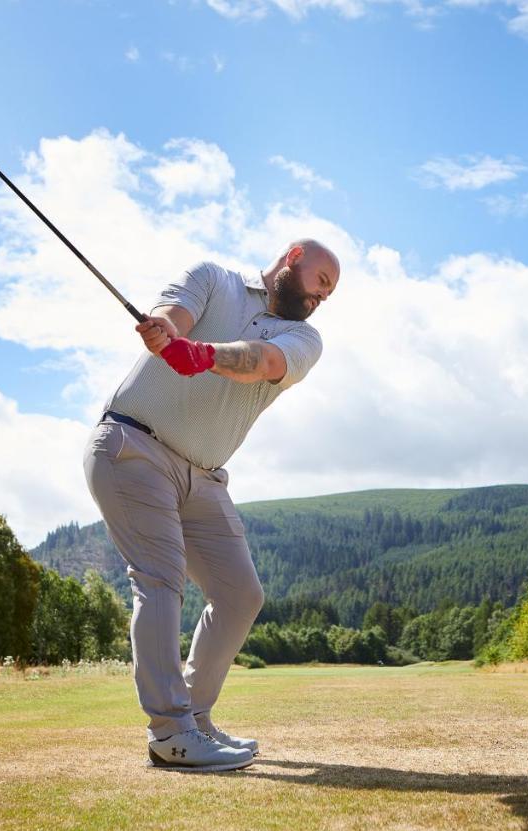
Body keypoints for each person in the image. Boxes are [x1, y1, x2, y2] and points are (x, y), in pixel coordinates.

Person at [83, 239, 340, 771]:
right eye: (321, 282)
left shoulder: (304, 338)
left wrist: (202, 355)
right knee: (160, 577)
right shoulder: (212, 278)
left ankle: (195, 719)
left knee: (240, 595)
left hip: (204, 476)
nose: (322, 297)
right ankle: (171, 734)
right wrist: (165, 332)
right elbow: (171, 316)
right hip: (132, 445)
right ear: (292, 257)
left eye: (329, 293)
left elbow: (263, 362)